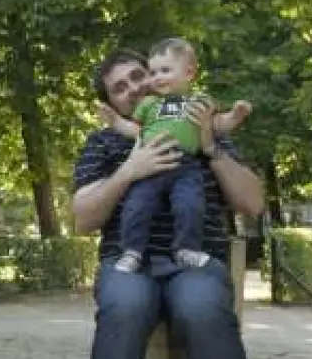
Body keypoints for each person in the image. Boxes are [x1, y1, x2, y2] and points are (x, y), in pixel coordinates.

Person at [71, 47, 268, 359]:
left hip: (194, 261)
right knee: (125, 307)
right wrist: (129, 170)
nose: (132, 88)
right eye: (119, 87)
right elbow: (82, 219)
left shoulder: (197, 118)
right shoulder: (104, 142)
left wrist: (211, 147)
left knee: (203, 309)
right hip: (129, 261)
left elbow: (253, 203)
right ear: (112, 101)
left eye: (137, 75)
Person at [99, 37, 252, 274]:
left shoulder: (199, 101)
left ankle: (186, 249)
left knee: (190, 204)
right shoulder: (149, 104)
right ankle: (132, 252)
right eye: (153, 72)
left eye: (165, 71)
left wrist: (236, 116)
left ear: (189, 73)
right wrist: (116, 121)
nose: (158, 77)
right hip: (149, 167)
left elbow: (218, 125)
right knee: (137, 205)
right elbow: (135, 130)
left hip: (186, 166)